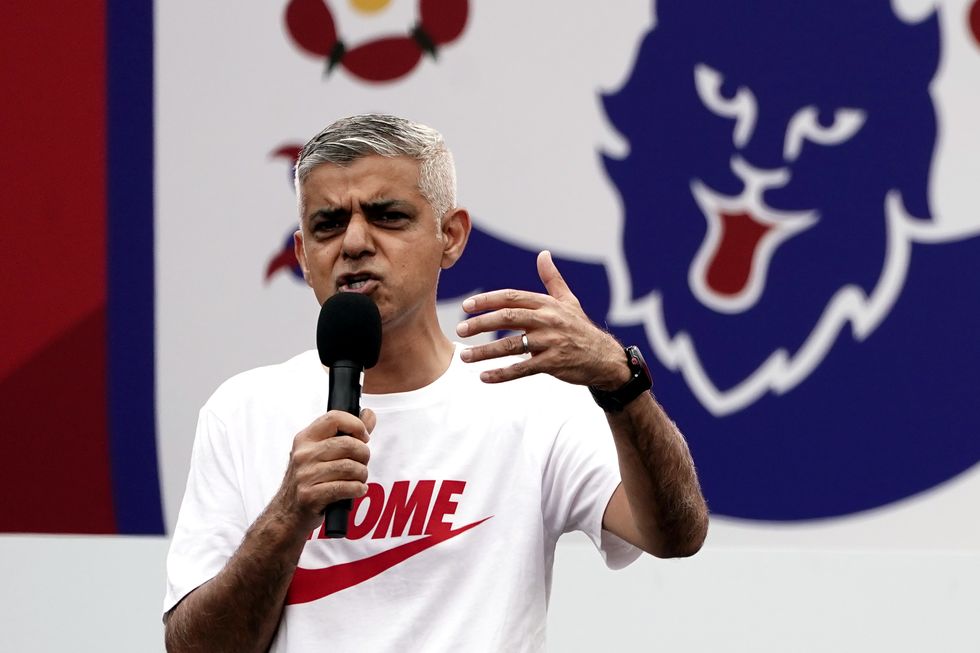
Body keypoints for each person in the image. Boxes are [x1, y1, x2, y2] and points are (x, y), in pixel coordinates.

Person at [163, 114, 708, 652]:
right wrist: (287, 513)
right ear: (304, 257)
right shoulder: (242, 411)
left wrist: (621, 381)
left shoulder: (532, 401)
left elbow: (675, 535)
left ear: (450, 237)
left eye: (387, 216)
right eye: (328, 224)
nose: (354, 242)